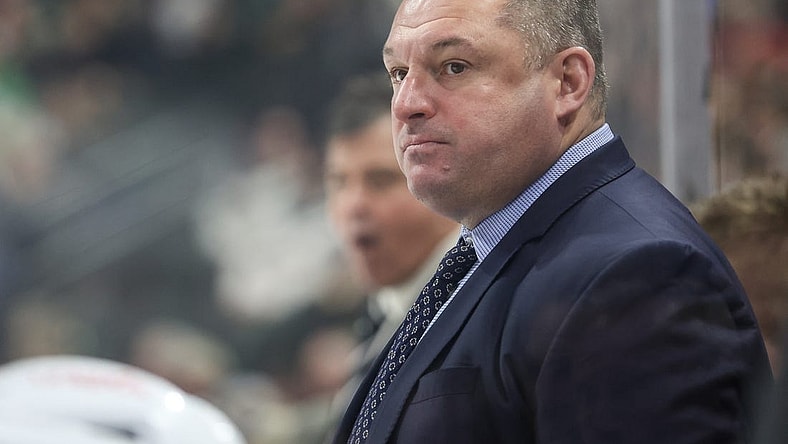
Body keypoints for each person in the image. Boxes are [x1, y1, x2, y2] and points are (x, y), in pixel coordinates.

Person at [331, 1, 772, 443]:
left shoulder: (639, 274)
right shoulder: (498, 243)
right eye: (399, 73)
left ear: (568, 82)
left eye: (454, 67)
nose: (407, 104)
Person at [322, 73, 460, 435]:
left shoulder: (471, 310)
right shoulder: (388, 308)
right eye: (338, 182)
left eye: (380, 180)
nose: (353, 206)